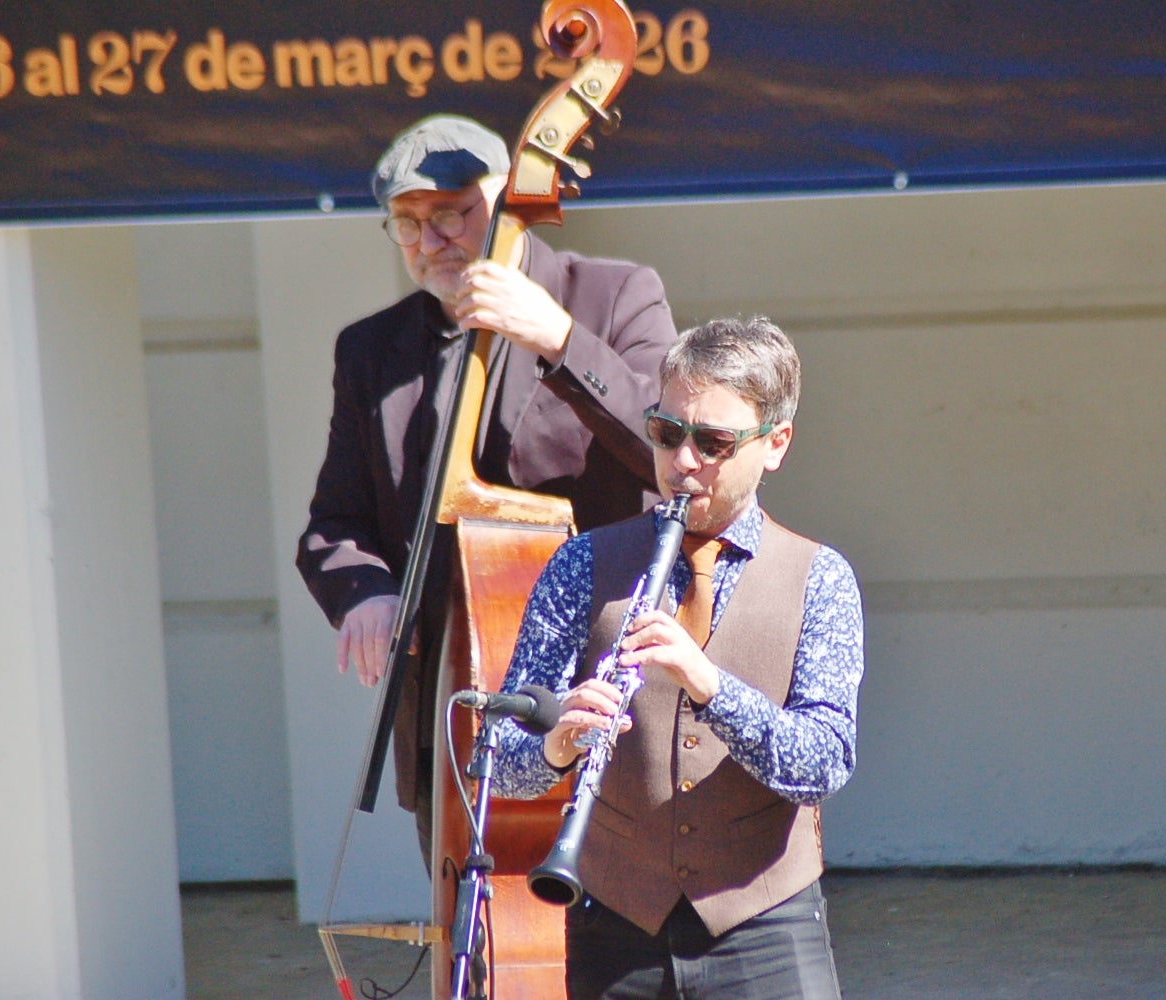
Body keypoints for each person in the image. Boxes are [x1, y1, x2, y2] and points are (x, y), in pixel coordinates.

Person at [296, 114, 678, 860]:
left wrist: (560, 340)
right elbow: (334, 524)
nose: (429, 241)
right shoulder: (371, 350)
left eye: (449, 214)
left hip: (596, 684)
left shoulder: (614, 295)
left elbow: (667, 449)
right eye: (405, 225)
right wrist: (365, 592)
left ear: (506, 200)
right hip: (454, 699)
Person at [492, 316, 865, 999]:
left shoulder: (820, 577)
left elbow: (824, 763)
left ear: (775, 443)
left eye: (714, 442)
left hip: (765, 929)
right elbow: (497, 762)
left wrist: (711, 685)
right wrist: (556, 745)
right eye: (667, 433)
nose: (683, 462)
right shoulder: (584, 564)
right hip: (615, 923)